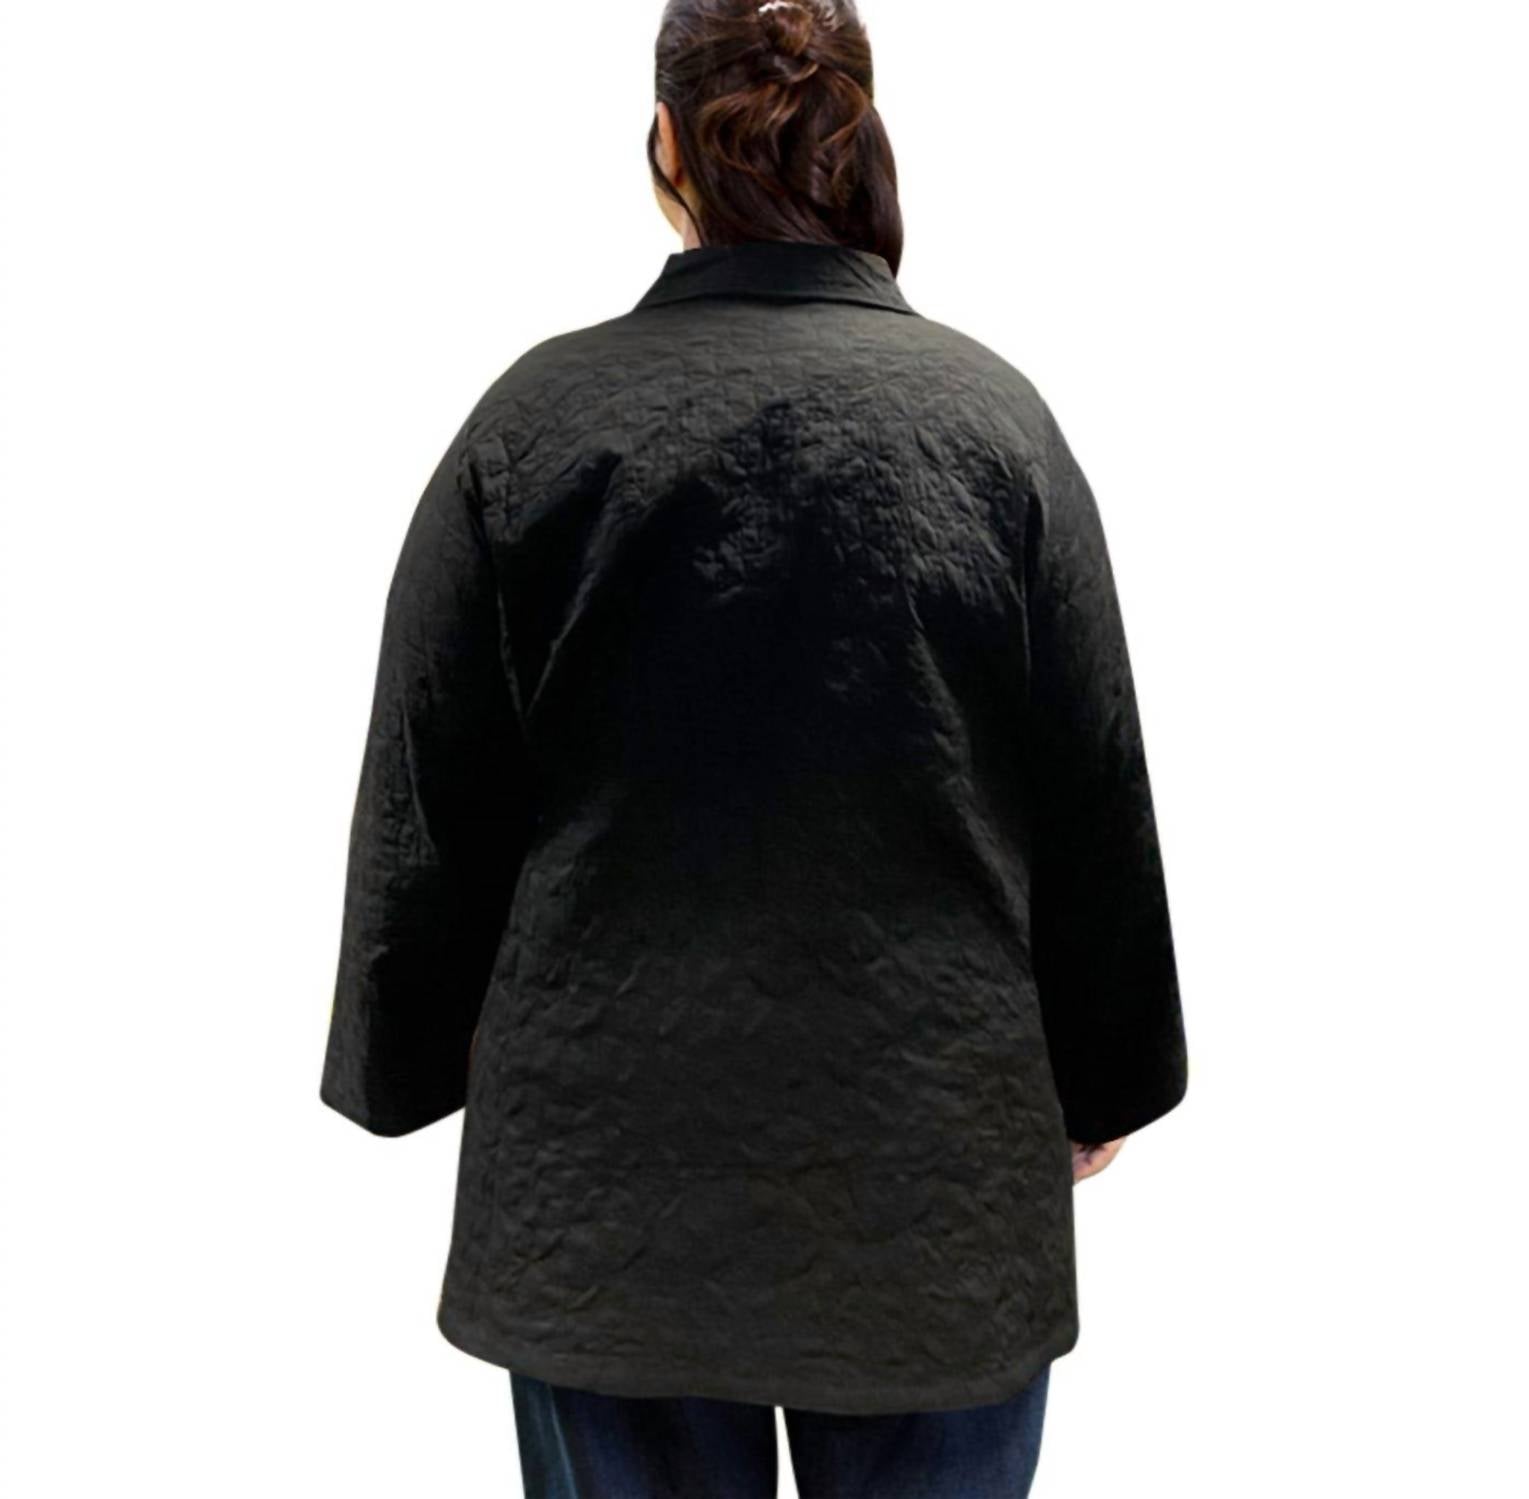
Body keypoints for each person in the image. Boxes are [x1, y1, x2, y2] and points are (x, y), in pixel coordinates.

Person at [318, 0, 1188, 1493]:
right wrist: (1106, 1072)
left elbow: (428, 791)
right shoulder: (993, 425)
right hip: (933, 1184)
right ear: (857, 138)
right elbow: (1088, 777)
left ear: (666, 143)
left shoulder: (536, 421)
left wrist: (410, 1050)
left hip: (606, 1189)